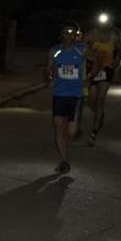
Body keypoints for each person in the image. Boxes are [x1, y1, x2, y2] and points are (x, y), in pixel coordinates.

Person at [47, 23, 85, 174]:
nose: (69, 36)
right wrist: (49, 77)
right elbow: (49, 68)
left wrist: (89, 76)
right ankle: (64, 160)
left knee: (71, 132)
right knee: (58, 127)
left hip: (75, 95)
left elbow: (97, 62)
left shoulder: (82, 50)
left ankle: (76, 129)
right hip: (59, 94)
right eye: (66, 32)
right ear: (61, 34)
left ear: (76, 35)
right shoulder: (55, 51)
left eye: (72, 33)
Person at [83, 15, 121, 145]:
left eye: (108, 23)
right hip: (93, 69)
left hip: (106, 69)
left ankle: (94, 132)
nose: (104, 26)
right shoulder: (91, 35)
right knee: (91, 100)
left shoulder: (114, 36)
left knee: (100, 99)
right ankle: (99, 114)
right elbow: (81, 48)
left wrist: (116, 61)